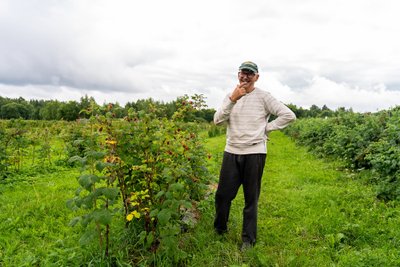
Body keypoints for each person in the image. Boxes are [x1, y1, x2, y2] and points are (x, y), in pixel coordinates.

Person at [213, 61, 296, 250]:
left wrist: (267, 128)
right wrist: (233, 99)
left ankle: (248, 240)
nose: (245, 77)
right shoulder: (230, 97)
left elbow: (288, 115)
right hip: (232, 151)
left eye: (250, 74)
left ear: (256, 77)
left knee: (251, 198)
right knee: (223, 195)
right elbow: (217, 120)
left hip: (255, 152)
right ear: (238, 75)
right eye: (243, 73)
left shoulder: (264, 97)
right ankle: (219, 229)